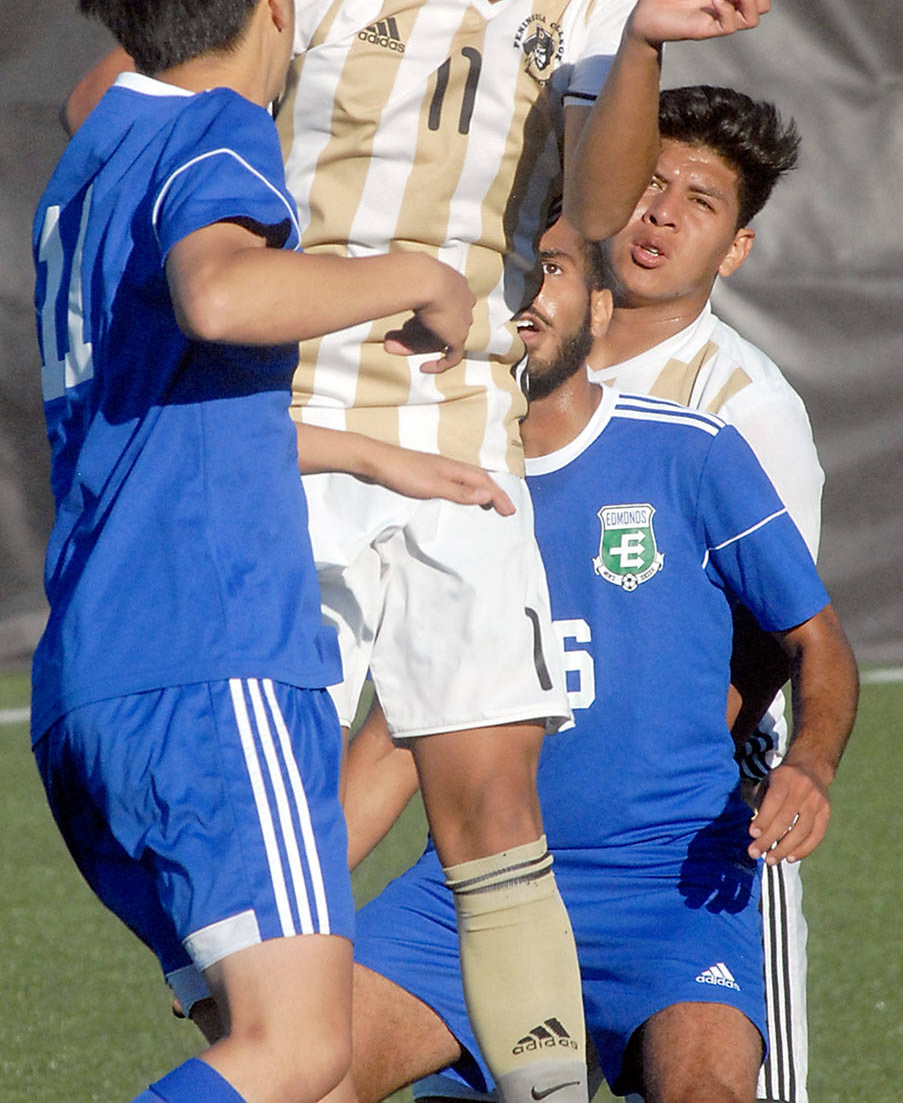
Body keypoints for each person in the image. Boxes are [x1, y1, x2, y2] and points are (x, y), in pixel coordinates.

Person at [67, 0, 770, 1103]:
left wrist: (639, 45)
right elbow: (124, 96)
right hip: (286, 428)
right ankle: (273, 1047)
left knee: (488, 799)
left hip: (459, 432)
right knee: (277, 817)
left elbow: (599, 204)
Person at [31, 0, 497, 1103]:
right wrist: (417, 272)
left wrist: (363, 452)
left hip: (93, 684)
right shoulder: (215, 128)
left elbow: (156, 417)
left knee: (283, 1065)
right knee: (302, 1050)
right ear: (277, 4)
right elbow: (223, 294)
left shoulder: (88, 167)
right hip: (210, 663)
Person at [342, 215, 859, 1103]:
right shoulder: (429, 482)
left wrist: (809, 765)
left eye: (546, 270)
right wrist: (265, 925)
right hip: (472, 887)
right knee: (296, 1065)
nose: (523, 299)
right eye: (504, 276)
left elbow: (817, 642)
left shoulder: (689, 451)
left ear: (601, 304)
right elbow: (399, 731)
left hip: (668, 889)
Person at [587, 84, 820, 1103]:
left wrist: (658, 755)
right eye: (646, 180)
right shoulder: (524, 360)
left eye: (701, 199)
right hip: (515, 797)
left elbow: (782, 629)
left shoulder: (747, 405)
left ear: (734, 250)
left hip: (695, 821)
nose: (662, 212)